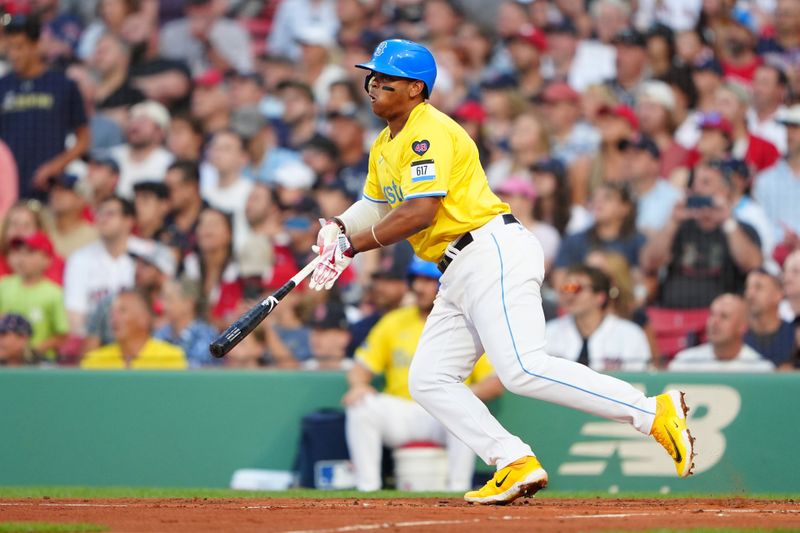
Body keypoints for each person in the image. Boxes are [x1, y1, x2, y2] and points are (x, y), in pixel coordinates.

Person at [308, 39, 695, 505]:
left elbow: (421, 212)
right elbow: (374, 204)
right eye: (371, 76)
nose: (373, 84)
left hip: (489, 250)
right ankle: (513, 460)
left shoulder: (427, 130)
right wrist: (338, 227)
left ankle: (652, 412)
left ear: (415, 88)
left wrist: (352, 246)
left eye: (385, 77)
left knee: (523, 368)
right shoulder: (385, 143)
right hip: (456, 268)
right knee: (428, 379)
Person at [344, 257, 504, 492]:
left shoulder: (466, 323)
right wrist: (359, 385)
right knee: (361, 406)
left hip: (442, 414)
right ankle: (368, 489)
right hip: (401, 410)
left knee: (464, 408)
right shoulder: (394, 321)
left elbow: (494, 381)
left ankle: (459, 489)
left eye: (428, 281)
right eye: (416, 280)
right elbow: (360, 368)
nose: (419, 287)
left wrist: (461, 395)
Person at [0, 15, 89, 199]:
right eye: (10, 48)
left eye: (20, 47)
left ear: (36, 45)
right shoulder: (2, 86)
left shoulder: (63, 85)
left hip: (46, 187)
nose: (14, 55)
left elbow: (83, 139)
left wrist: (55, 166)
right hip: (7, 187)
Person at [545, 265, 651, 371]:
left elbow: (640, 381)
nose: (571, 295)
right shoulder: (548, 331)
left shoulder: (630, 334)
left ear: (600, 297)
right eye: (567, 288)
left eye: (578, 288)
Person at [0, 232, 69, 359]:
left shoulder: (54, 293)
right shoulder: (3, 286)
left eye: (30, 253)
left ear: (47, 259)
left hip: (41, 363)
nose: (22, 258)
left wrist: (32, 351)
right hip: (6, 361)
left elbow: (62, 334)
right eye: (18, 252)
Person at [81, 289, 187, 369]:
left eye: (122, 311)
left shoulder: (170, 359)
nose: (114, 317)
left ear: (144, 319)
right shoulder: (95, 361)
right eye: (112, 311)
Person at [668, 294, 775, 372]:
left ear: (742, 326)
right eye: (712, 315)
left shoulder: (760, 369)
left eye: (724, 317)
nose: (714, 322)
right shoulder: (684, 363)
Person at [155, 277, 219, 368]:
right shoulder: (160, 333)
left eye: (169, 299)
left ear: (189, 303)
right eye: (162, 299)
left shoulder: (206, 336)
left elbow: (196, 374)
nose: (162, 305)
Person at [743, 268, 795, 367]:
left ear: (778, 294)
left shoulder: (794, 336)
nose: (750, 294)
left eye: (758, 287)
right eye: (747, 287)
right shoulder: (737, 338)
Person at [45, 174, 99, 258]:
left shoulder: (94, 236)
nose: (55, 194)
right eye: (54, 189)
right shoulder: (42, 227)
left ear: (81, 199)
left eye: (64, 190)